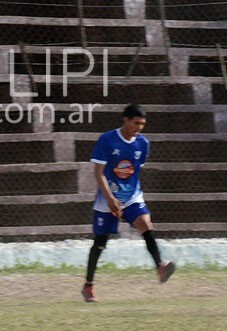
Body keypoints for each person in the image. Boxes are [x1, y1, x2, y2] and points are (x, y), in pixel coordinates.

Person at [81, 103, 175, 303]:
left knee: (145, 224)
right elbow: (98, 172)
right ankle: (88, 286)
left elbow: (134, 170)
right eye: (136, 123)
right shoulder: (107, 140)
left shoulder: (143, 143)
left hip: (132, 196)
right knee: (100, 243)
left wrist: (127, 197)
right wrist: (110, 199)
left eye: (142, 124)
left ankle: (160, 266)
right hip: (107, 198)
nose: (139, 127)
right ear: (125, 120)